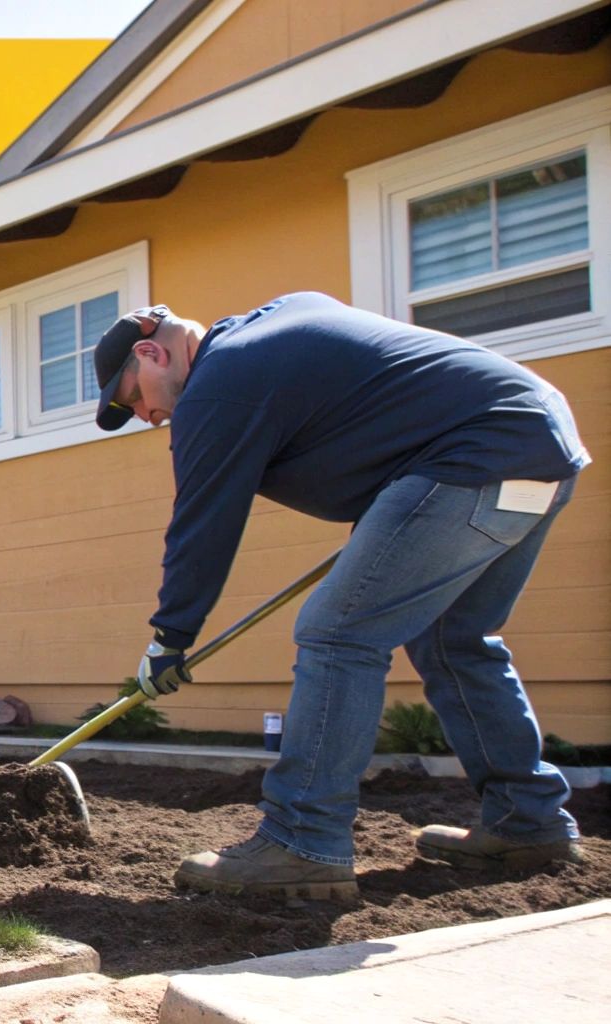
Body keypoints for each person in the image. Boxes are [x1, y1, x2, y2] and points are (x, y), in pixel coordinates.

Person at [92, 291, 590, 901]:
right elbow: (381, 416)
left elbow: (203, 521)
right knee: (454, 640)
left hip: (476, 455)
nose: (146, 415)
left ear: (151, 354)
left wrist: (170, 636)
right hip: (537, 442)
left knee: (338, 632)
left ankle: (302, 841)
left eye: (133, 396)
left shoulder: (220, 385)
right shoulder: (277, 322)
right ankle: (529, 821)